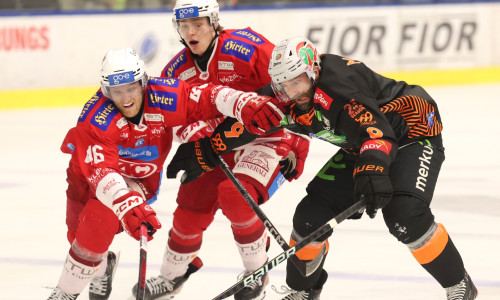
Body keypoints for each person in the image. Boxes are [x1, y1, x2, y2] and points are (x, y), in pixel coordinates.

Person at [167, 37, 478, 300]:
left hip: (412, 132)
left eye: (298, 82)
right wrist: (206, 150)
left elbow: (377, 132)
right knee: (309, 219)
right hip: (363, 145)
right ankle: (305, 290)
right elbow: (248, 124)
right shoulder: (282, 95)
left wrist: (371, 169)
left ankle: (459, 286)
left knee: (404, 216)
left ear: (313, 71)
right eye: (283, 85)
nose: (293, 92)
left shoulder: (340, 87)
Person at [46, 47, 262, 300]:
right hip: (87, 177)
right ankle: (101, 271)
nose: (125, 98)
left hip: (138, 179)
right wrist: (125, 203)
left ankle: (64, 295)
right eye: (117, 91)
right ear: (106, 92)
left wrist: (244, 104)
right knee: (78, 237)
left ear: (143, 83)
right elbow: (101, 170)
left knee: (97, 221)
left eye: (131, 88)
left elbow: (208, 97)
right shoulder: (96, 118)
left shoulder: (164, 96)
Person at [132, 1, 310, 299]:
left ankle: (256, 272)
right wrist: (192, 133)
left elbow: (294, 85)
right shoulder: (177, 69)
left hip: (269, 138)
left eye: (197, 24)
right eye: (184, 26)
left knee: (235, 195)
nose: (190, 32)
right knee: (190, 207)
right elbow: (166, 117)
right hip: (215, 146)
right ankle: (172, 276)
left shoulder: (247, 47)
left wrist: (298, 140)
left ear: (214, 23)